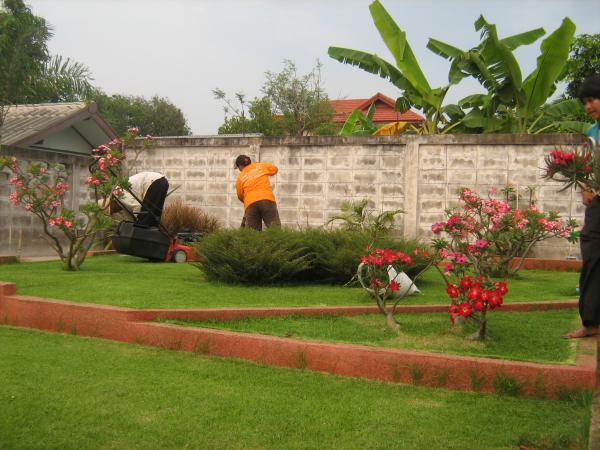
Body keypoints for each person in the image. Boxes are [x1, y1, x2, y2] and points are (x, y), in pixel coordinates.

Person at [566, 74, 600, 338]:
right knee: (592, 258)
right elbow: (585, 168)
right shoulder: (591, 133)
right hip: (597, 206)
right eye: (585, 102)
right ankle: (591, 322)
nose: (589, 107)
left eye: (592, 100)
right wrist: (585, 188)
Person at [234, 154, 281, 231]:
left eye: (238, 167)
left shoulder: (240, 177)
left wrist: (249, 201)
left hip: (250, 204)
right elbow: (274, 169)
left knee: (253, 234)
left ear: (240, 166)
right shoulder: (260, 166)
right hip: (267, 200)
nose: (239, 169)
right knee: (275, 229)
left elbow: (240, 195)